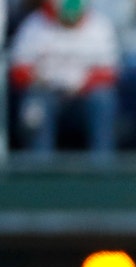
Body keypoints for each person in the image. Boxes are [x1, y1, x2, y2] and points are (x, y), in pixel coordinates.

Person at [7, 0, 120, 159]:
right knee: (35, 104)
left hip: (83, 96)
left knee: (103, 99)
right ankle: (39, 171)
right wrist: (40, 79)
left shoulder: (99, 26)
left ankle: (102, 170)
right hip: (46, 93)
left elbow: (109, 72)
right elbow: (17, 71)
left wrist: (82, 84)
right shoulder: (34, 25)